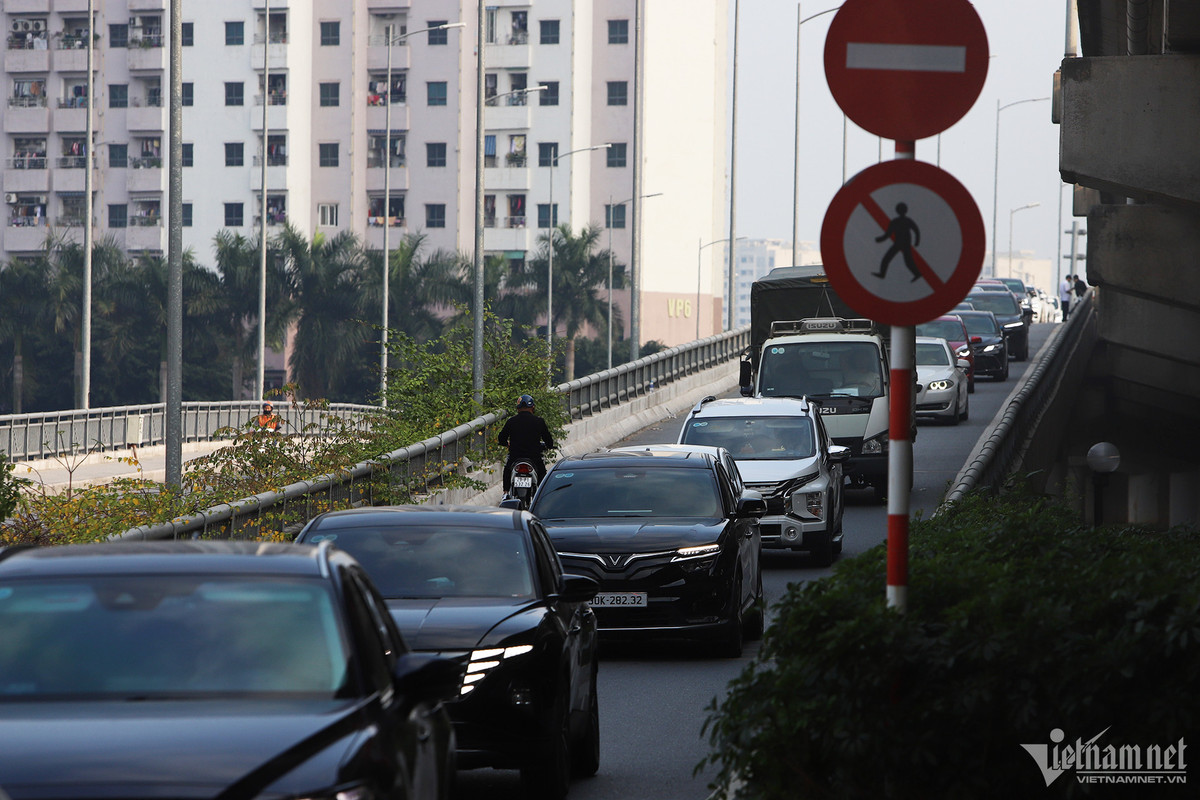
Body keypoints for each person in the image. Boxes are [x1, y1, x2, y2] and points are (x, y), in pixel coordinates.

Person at [498, 394, 554, 495]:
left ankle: (505, 493)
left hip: (515, 457)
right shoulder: (539, 422)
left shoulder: (511, 421)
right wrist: (548, 446)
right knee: (542, 475)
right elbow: (549, 441)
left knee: (507, 470)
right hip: (534, 458)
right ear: (532, 407)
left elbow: (501, 439)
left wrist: (507, 444)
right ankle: (542, 496)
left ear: (518, 408)